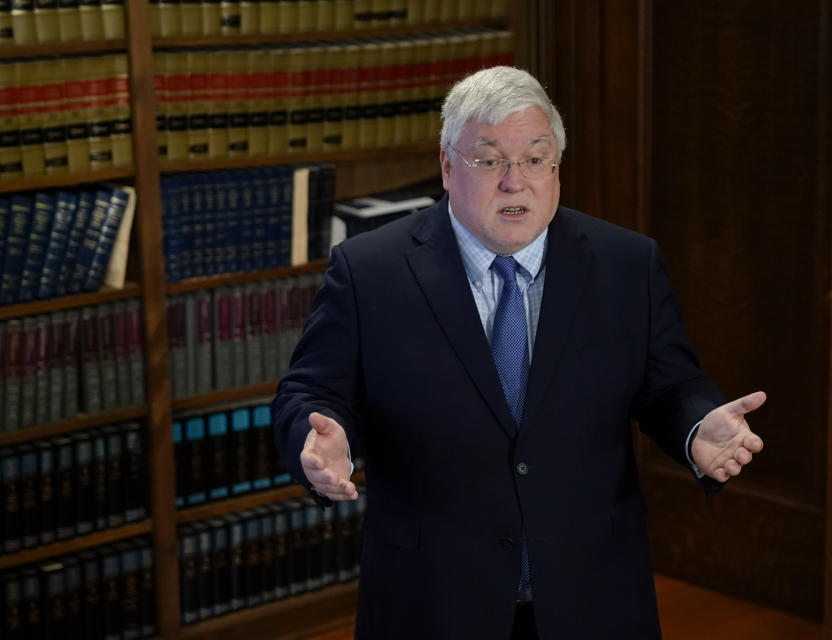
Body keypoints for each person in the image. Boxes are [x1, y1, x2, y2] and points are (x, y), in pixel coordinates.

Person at [272, 66, 765, 640]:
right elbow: (311, 392)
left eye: (535, 158)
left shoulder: (626, 264)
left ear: (556, 165)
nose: (515, 181)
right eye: (488, 160)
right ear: (447, 166)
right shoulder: (369, 271)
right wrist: (318, 436)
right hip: (434, 598)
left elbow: (669, 384)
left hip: (591, 594)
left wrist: (695, 425)